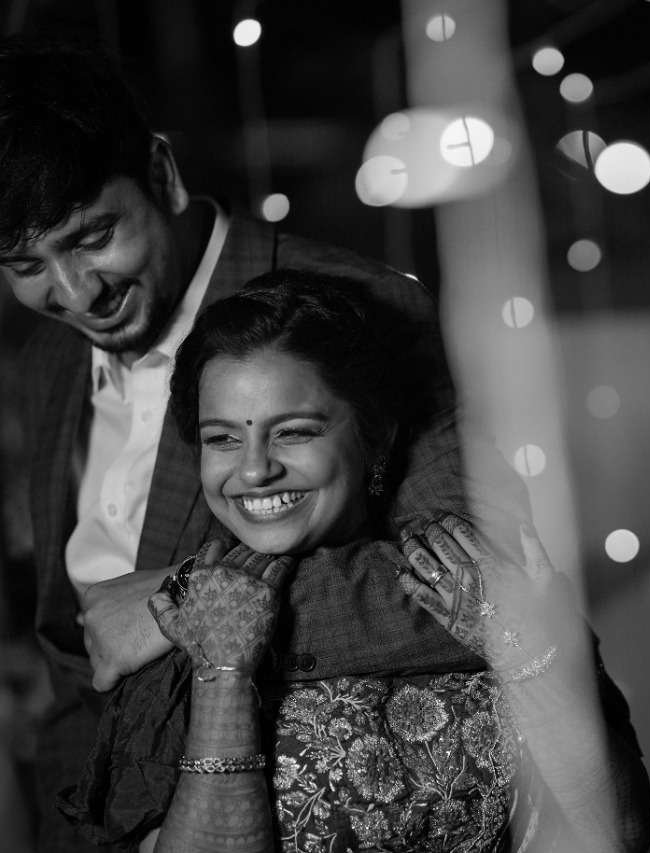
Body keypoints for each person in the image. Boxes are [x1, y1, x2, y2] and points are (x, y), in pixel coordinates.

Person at [0, 36, 501, 852]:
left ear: (161, 172)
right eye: (26, 265)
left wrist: (181, 604)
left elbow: (480, 587)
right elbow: (73, 665)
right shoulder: (46, 358)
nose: (74, 292)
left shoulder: (369, 307)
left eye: (93, 236)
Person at [59, 270, 650, 852]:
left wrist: (526, 651)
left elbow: (617, 833)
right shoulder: (177, 643)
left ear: (375, 436)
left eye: (293, 432)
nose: (254, 469)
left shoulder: (485, 587)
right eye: (223, 439)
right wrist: (223, 683)